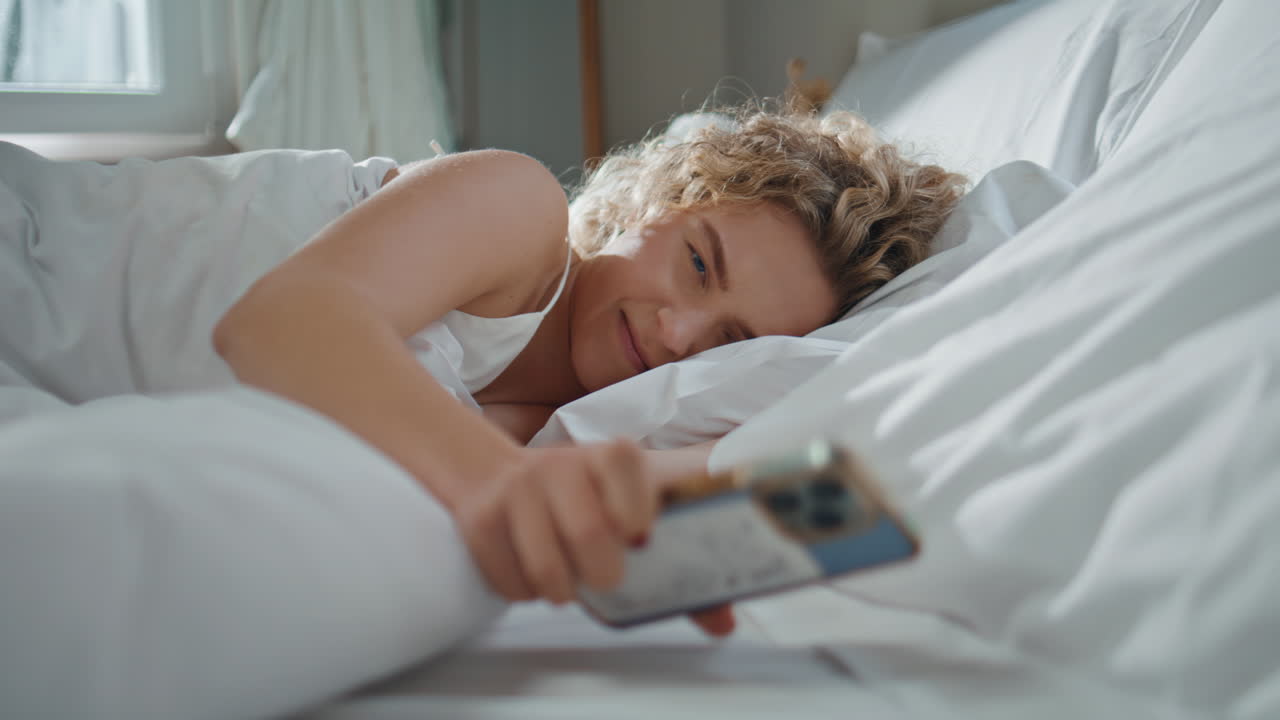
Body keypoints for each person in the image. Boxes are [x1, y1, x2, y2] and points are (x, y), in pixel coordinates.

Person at [2, 103, 966, 637]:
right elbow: (281, 324)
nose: (678, 333)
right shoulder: (517, 212)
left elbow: (785, 488)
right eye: (698, 264)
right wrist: (501, 486)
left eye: (728, 344)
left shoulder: (553, 431)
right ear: (660, 204)